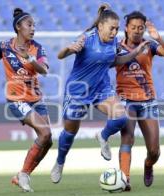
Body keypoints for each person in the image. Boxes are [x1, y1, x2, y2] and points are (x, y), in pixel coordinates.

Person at [50, 4, 149, 184]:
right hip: (77, 91)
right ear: (100, 26)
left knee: (120, 117)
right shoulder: (86, 39)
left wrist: (135, 52)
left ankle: (102, 136)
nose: (115, 32)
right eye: (112, 28)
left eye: (117, 29)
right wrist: (70, 48)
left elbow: (114, 61)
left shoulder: (113, 42)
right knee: (70, 131)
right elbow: (60, 55)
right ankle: (60, 162)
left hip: (101, 88)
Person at [0, 8, 52, 192]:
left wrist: (30, 59)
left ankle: (22, 175)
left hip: (36, 99)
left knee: (48, 140)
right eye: (29, 24)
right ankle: (24, 175)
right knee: (45, 133)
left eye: (34, 25)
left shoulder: (37, 48)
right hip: (16, 98)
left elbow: (44, 70)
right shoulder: (4, 46)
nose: (33, 28)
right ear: (18, 27)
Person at [116, 11, 164, 191]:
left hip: (148, 101)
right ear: (126, 28)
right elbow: (112, 62)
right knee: (127, 138)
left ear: (144, 29)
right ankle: (124, 179)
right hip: (126, 100)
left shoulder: (150, 46)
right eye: (133, 27)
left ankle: (148, 164)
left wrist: (158, 37)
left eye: (140, 28)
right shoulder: (115, 47)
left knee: (154, 150)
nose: (136, 31)